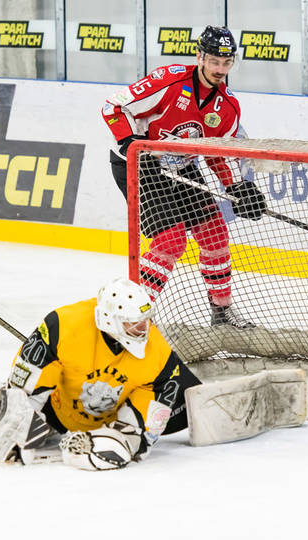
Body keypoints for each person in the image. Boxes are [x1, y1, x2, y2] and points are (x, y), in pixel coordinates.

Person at [101, 25, 266, 328]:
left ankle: (222, 312)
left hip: (181, 166)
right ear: (200, 56)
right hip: (139, 163)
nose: (220, 69)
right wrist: (129, 141)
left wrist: (236, 188)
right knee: (170, 240)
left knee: (215, 232)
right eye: (214, 61)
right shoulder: (170, 80)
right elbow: (112, 106)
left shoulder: (227, 106)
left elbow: (218, 153)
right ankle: (134, 317)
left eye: (226, 63)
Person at [0, 278, 203, 471]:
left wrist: (126, 438)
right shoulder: (64, 325)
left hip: (108, 419)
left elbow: (146, 422)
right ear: (111, 320)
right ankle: (8, 409)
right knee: (10, 412)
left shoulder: (158, 353)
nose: (144, 329)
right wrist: (17, 415)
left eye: (145, 320)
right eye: (134, 323)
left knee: (126, 442)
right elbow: (24, 383)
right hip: (55, 410)